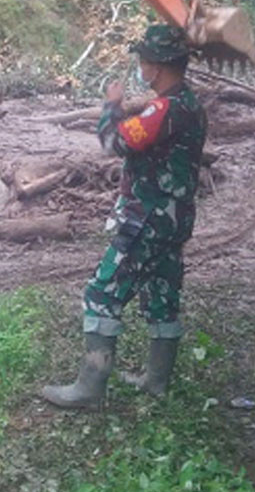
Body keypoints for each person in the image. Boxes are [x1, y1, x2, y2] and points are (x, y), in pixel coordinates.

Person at [42, 23, 207, 409]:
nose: (140, 67)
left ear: (158, 66)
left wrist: (112, 105)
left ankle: (89, 389)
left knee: (101, 294)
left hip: (147, 219)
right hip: (176, 218)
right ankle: (156, 379)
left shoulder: (162, 109)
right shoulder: (191, 105)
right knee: (162, 294)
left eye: (143, 60)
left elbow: (114, 142)